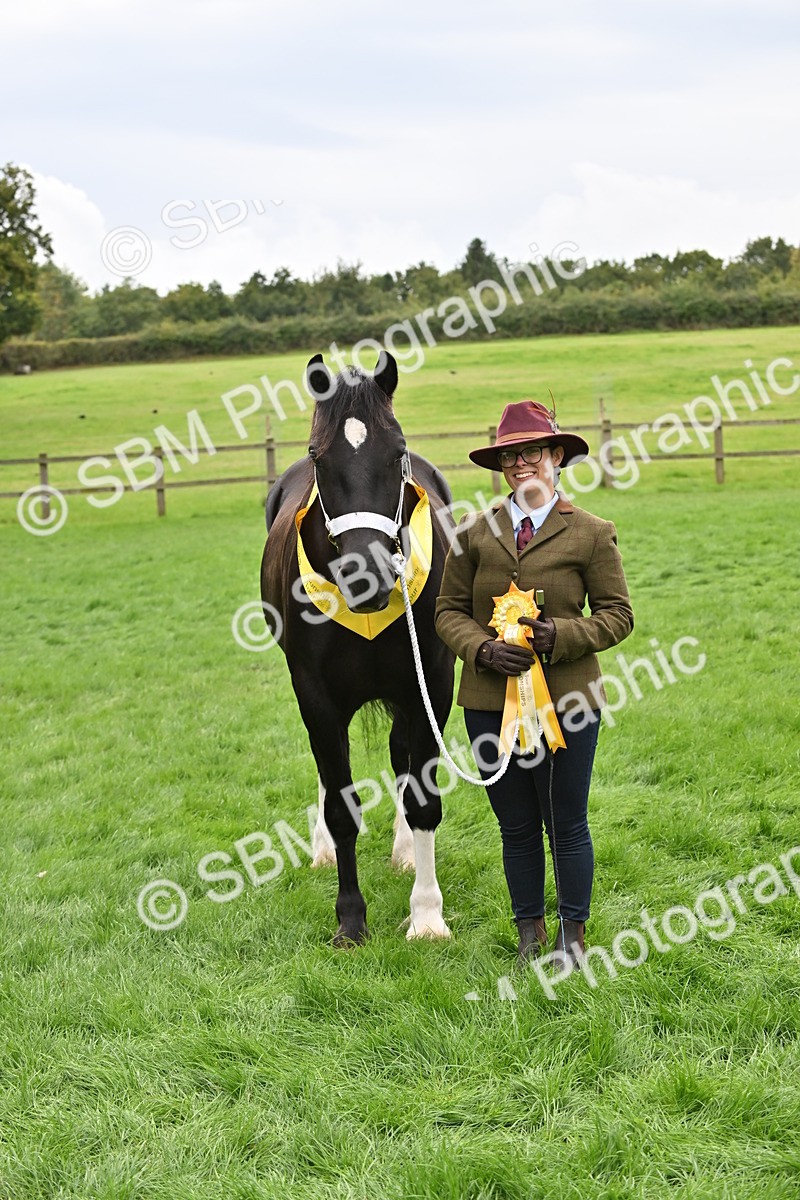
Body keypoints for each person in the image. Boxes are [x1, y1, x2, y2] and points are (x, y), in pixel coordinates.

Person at [434, 399, 634, 969]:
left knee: (566, 819)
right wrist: (481, 650)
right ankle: (529, 933)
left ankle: (573, 935)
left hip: (568, 703)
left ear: (555, 458)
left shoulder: (593, 534)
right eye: (510, 456)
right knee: (515, 824)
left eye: (532, 453)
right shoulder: (473, 534)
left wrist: (561, 636)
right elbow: (447, 611)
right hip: (488, 703)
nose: (521, 464)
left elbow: (619, 615)